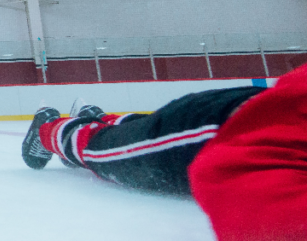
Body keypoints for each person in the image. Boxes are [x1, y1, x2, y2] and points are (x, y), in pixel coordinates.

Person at [22, 64, 307, 240]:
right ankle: (47, 127)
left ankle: (99, 117)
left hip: (247, 111)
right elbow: (231, 179)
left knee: (136, 132)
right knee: (99, 150)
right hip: (219, 127)